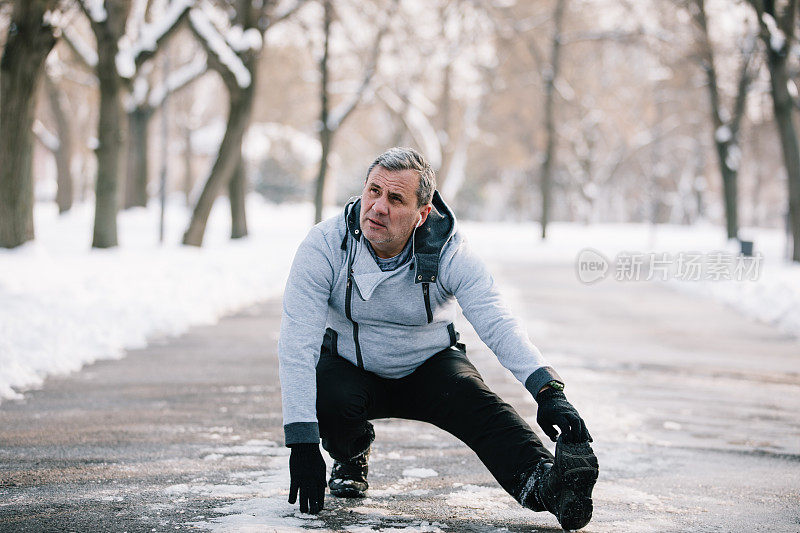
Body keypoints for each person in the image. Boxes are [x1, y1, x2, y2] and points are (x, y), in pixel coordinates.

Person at [278, 147, 598, 530]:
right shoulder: (325, 246)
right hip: (351, 366)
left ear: (422, 214)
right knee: (326, 396)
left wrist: (548, 390)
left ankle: (548, 484)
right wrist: (302, 440)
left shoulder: (450, 251)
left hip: (430, 364)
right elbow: (298, 342)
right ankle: (351, 454)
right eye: (373, 191)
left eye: (396, 199)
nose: (378, 207)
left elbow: (497, 320)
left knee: (484, 408)